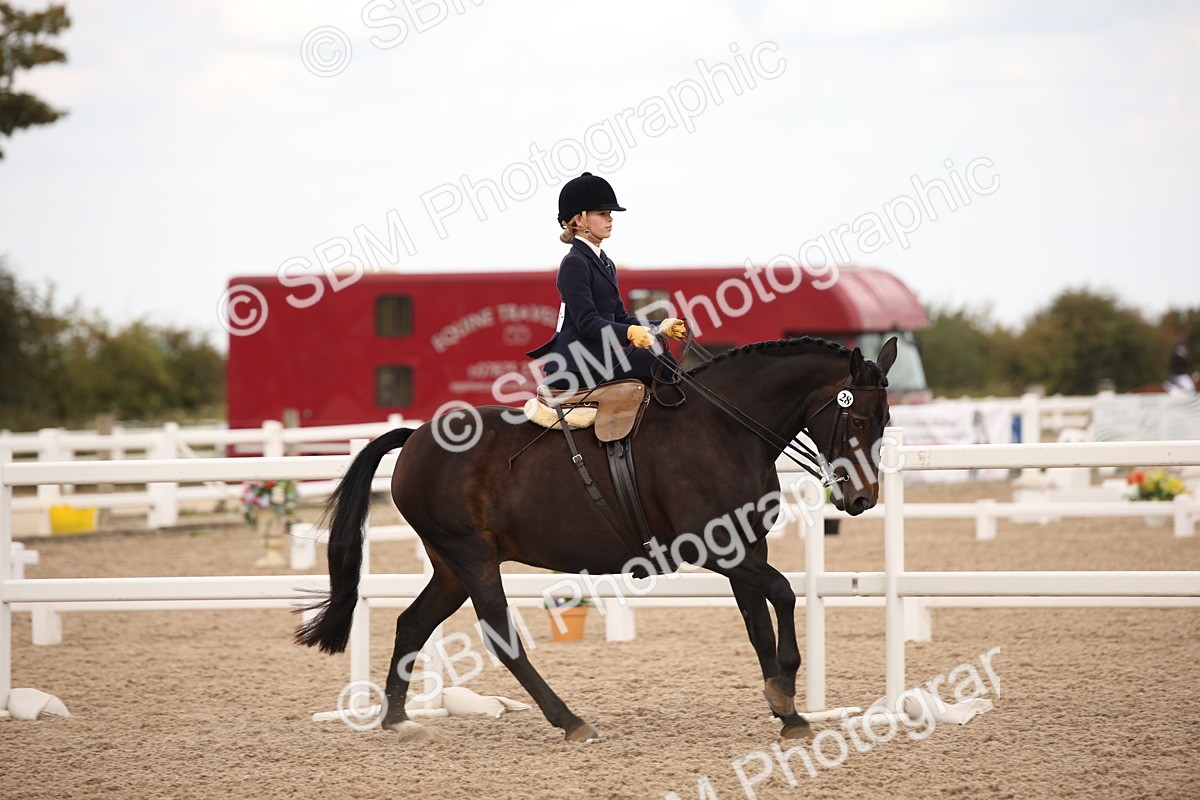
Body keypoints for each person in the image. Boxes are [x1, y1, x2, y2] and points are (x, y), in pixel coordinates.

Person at [526, 172, 687, 389]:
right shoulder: (574, 262)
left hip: (598, 360)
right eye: (602, 213)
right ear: (579, 219)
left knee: (659, 352)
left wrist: (660, 327)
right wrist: (630, 333)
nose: (610, 219)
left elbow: (620, 317)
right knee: (657, 358)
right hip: (576, 365)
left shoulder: (606, 263)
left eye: (609, 213)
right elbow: (587, 323)